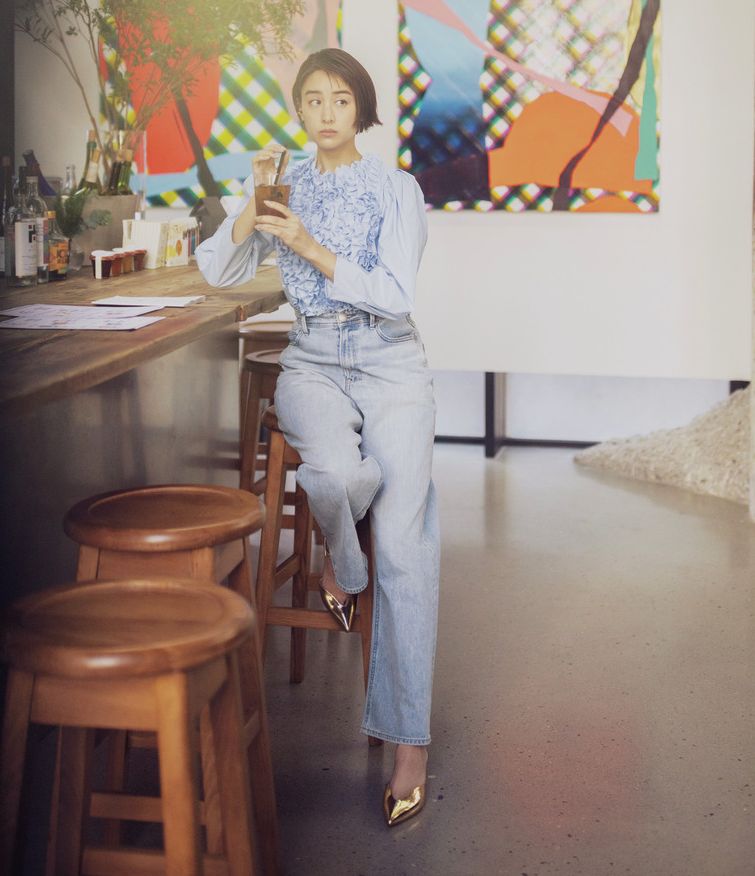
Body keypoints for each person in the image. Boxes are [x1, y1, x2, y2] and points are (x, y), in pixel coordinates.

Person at [196, 47, 439, 827]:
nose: (326, 112)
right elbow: (216, 272)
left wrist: (305, 245)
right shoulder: (284, 184)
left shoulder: (396, 188)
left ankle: (408, 746)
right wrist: (252, 207)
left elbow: (394, 293)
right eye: (312, 100)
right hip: (311, 360)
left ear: (360, 109)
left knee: (403, 547)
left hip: (390, 361)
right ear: (298, 111)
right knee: (331, 477)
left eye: (339, 99)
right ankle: (340, 558)